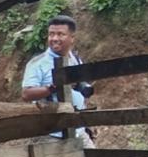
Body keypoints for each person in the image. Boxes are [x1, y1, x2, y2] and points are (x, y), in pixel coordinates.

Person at [21, 14, 96, 146]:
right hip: (51, 134)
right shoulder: (38, 63)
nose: (55, 38)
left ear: (72, 38)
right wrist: (52, 88)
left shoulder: (76, 60)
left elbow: (80, 92)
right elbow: (26, 94)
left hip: (79, 131)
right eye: (51, 34)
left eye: (60, 34)